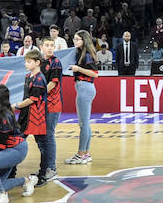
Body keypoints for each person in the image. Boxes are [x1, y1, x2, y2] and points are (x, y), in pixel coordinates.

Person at [12, 48, 52, 185]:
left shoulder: (40, 79)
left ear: (37, 62)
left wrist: (16, 105)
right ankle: (11, 173)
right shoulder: (28, 77)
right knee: (16, 143)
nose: (26, 64)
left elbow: (32, 99)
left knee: (42, 146)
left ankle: (43, 174)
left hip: (37, 119)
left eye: (29, 62)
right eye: (26, 62)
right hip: (25, 116)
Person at [65, 30, 99, 166]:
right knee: (86, 123)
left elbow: (95, 74)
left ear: (84, 40)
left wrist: (78, 69)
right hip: (84, 88)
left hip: (85, 87)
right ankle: (86, 153)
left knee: (83, 124)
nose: (75, 41)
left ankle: (80, 154)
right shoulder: (82, 53)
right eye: (74, 39)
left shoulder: (88, 55)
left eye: (78, 39)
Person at [37, 37, 63, 183]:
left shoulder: (56, 62)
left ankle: (51, 169)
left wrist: (37, 95)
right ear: (41, 46)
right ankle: (44, 167)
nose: (49, 48)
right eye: (47, 45)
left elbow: (53, 84)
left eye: (52, 45)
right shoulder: (40, 62)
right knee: (42, 137)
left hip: (52, 105)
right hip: (42, 105)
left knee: (49, 136)